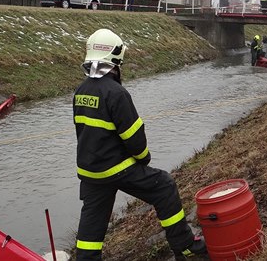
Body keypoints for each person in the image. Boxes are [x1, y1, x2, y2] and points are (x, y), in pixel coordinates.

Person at [73, 29, 206, 261]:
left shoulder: (81, 92)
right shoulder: (117, 93)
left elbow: (82, 133)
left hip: (90, 171)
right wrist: (143, 159)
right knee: (164, 186)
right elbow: (134, 138)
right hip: (116, 168)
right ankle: (185, 246)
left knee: (91, 227)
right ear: (114, 59)